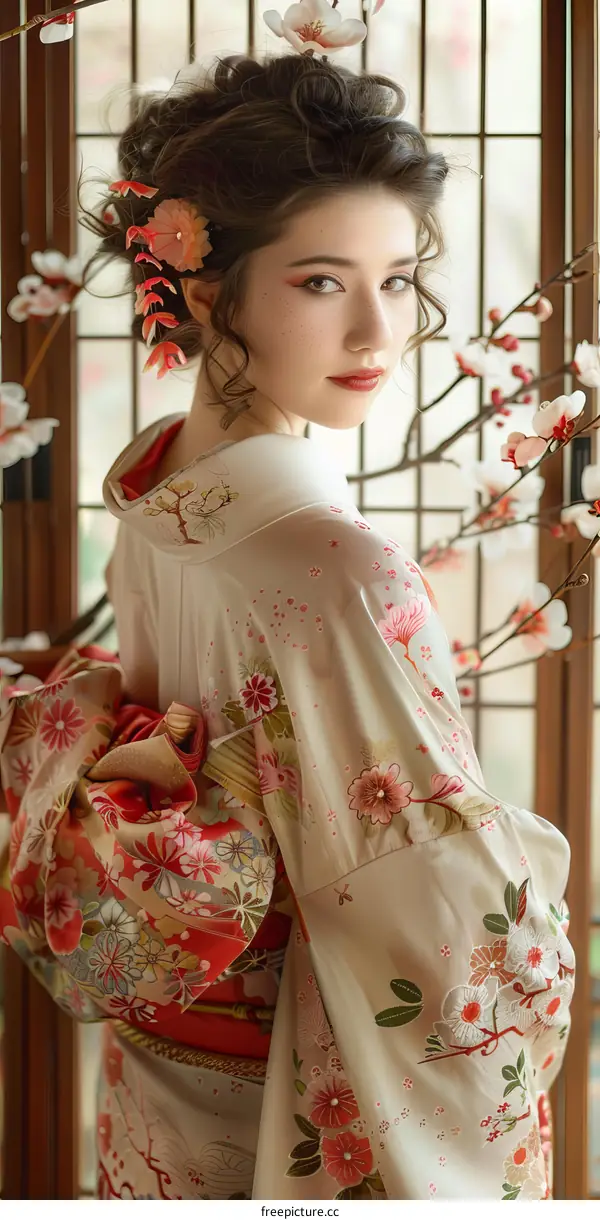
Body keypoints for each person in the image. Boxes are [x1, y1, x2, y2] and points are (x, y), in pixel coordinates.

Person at [0, 45, 574, 1201]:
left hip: (169, 1075)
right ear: (206, 288)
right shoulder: (339, 564)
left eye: (400, 279)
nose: (378, 331)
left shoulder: (159, 478)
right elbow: (436, 896)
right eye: (323, 281)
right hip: (291, 1084)